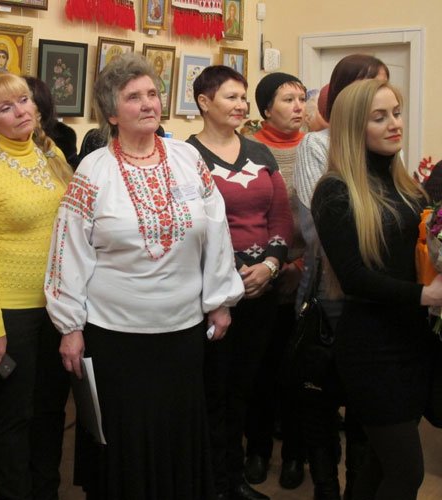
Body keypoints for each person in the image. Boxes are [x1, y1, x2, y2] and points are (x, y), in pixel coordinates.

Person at [44, 52, 244, 500]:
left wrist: (219, 300)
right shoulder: (93, 170)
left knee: (177, 435)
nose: (149, 103)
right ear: (112, 113)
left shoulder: (188, 158)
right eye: (133, 96)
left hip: (182, 332)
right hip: (116, 337)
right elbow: (69, 251)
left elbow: (216, 231)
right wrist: (69, 326)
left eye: (152, 93)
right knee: (125, 440)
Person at [312, 78, 442, 500]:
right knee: (407, 473)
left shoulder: (406, 186)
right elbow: (354, 276)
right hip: (372, 349)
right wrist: (425, 295)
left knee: (379, 466)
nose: (395, 124)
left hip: (413, 340)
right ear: (354, 127)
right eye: (380, 117)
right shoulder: (335, 190)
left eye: (397, 113)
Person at [0, 71, 74, 500]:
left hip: (57, 308)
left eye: (24, 100)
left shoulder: (52, 155)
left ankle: (47, 491)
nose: (21, 111)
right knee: (15, 415)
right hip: (11, 314)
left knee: (51, 411)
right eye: (6, 107)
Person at [186, 65, 293, 500]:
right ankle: (215, 482)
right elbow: (191, 227)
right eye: (231, 97)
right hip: (213, 295)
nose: (241, 105)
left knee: (245, 388)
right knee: (215, 391)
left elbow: (280, 217)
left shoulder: (260, 153)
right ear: (204, 102)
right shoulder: (186, 157)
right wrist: (229, 272)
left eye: (244, 97)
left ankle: (233, 479)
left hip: (262, 291)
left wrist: (270, 265)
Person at [293, 54, 389, 500]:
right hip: (330, 290)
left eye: (382, 87)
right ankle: (326, 486)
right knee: (320, 396)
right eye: (368, 87)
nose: (376, 98)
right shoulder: (317, 146)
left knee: (367, 403)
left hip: (372, 293)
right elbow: (320, 229)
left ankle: (358, 487)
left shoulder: (381, 144)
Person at [241, 72, 307, 490]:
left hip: (306, 273)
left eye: (301, 98)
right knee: (260, 370)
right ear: (266, 108)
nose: (299, 106)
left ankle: (296, 454)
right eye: (288, 99)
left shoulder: (315, 147)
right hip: (260, 276)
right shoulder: (249, 149)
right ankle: (258, 449)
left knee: (297, 373)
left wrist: (299, 265)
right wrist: (269, 265)